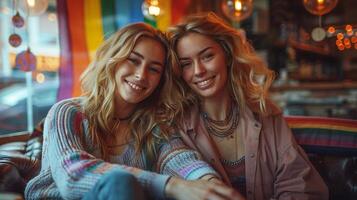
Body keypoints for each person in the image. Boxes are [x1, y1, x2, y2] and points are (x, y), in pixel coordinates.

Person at [24, 22, 240, 200]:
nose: (141, 75)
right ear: (113, 60)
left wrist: (211, 185)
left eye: (154, 69)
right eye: (133, 60)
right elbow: (73, 174)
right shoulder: (67, 112)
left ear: (160, 80)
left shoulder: (152, 125)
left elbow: (180, 159)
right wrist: (171, 186)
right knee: (120, 181)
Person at [168, 12, 329, 200]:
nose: (198, 71)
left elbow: (299, 185)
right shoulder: (176, 127)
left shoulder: (265, 114)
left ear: (227, 56)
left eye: (207, 56)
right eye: (186, 64)